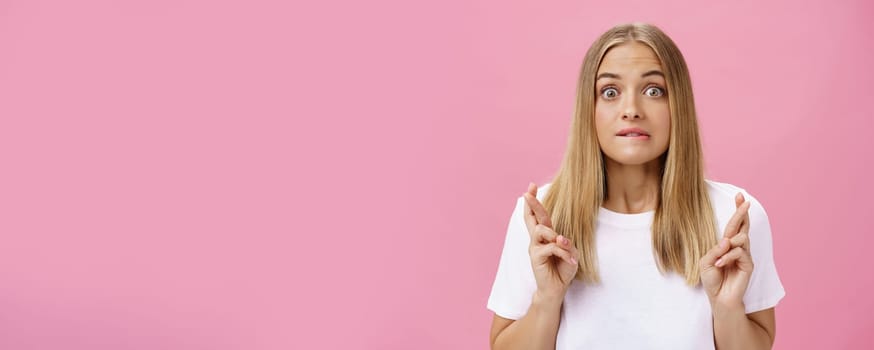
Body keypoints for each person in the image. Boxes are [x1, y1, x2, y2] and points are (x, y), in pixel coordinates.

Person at [486, 23, 786, 349]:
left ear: (678, 106)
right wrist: (547, 298)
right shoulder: (542, 217)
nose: (631, 110)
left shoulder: (733, 217)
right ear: (590, 108)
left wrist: (727, 308)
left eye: (653, 90)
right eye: (610, 92)